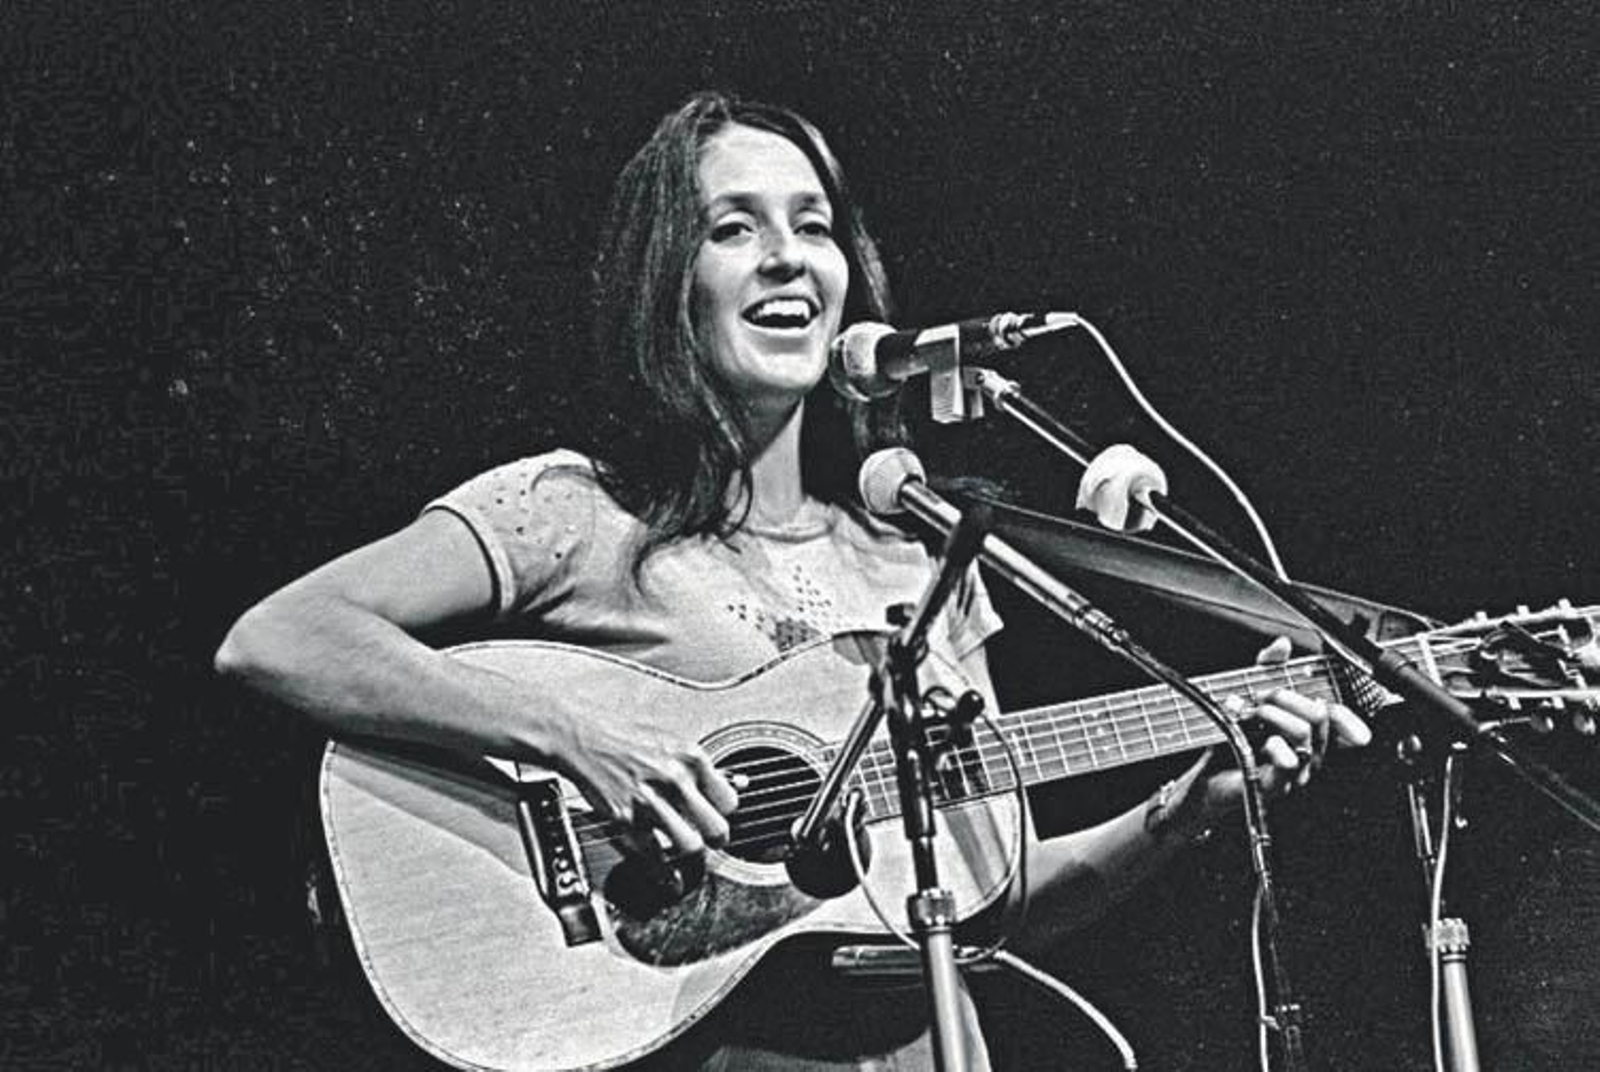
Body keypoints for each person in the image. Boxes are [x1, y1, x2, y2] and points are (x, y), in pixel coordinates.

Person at [215, 91, 1370, 1070]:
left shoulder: (918, 553)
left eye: (811, 228)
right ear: (668, 277)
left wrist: (1192, 802)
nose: (785, 258)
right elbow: (282, 636)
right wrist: (574, 734)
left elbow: (996, 893)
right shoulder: (573, 507)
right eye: (733, 228)